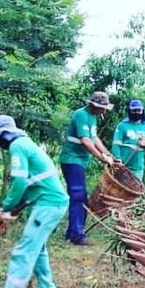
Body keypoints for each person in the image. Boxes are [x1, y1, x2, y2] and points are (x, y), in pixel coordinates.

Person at [0, 115, 69, 288]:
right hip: (48, 202)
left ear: (4, 134)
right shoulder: (26, 143)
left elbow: (19, 182)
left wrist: (5, 208)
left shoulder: (17, 146)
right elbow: (27, 185)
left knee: (24, 251)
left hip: (48, 203)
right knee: (37, 248)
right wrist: (6, 211)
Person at [58, 91, 116, 246]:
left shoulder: (93, 117)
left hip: (81, 161)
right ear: (92, 105)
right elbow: (86, 141)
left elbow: (95, 138)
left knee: (81, 196)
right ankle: (77, 235)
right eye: (101, 108)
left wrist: (108, 154)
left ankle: (73, 232)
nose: (104, 111)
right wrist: (102, 158)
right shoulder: (81, 115)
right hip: (72, 160)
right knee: (78, 195)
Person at [111, 99, 145, 182]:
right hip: (123, 167)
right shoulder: (122, 126)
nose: (136, 113)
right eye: (134, 110)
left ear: (142, 111)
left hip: (138, 168)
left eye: (138, 110)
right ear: (129, 111)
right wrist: (118, 160)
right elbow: (116, 144)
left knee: (134, 192)